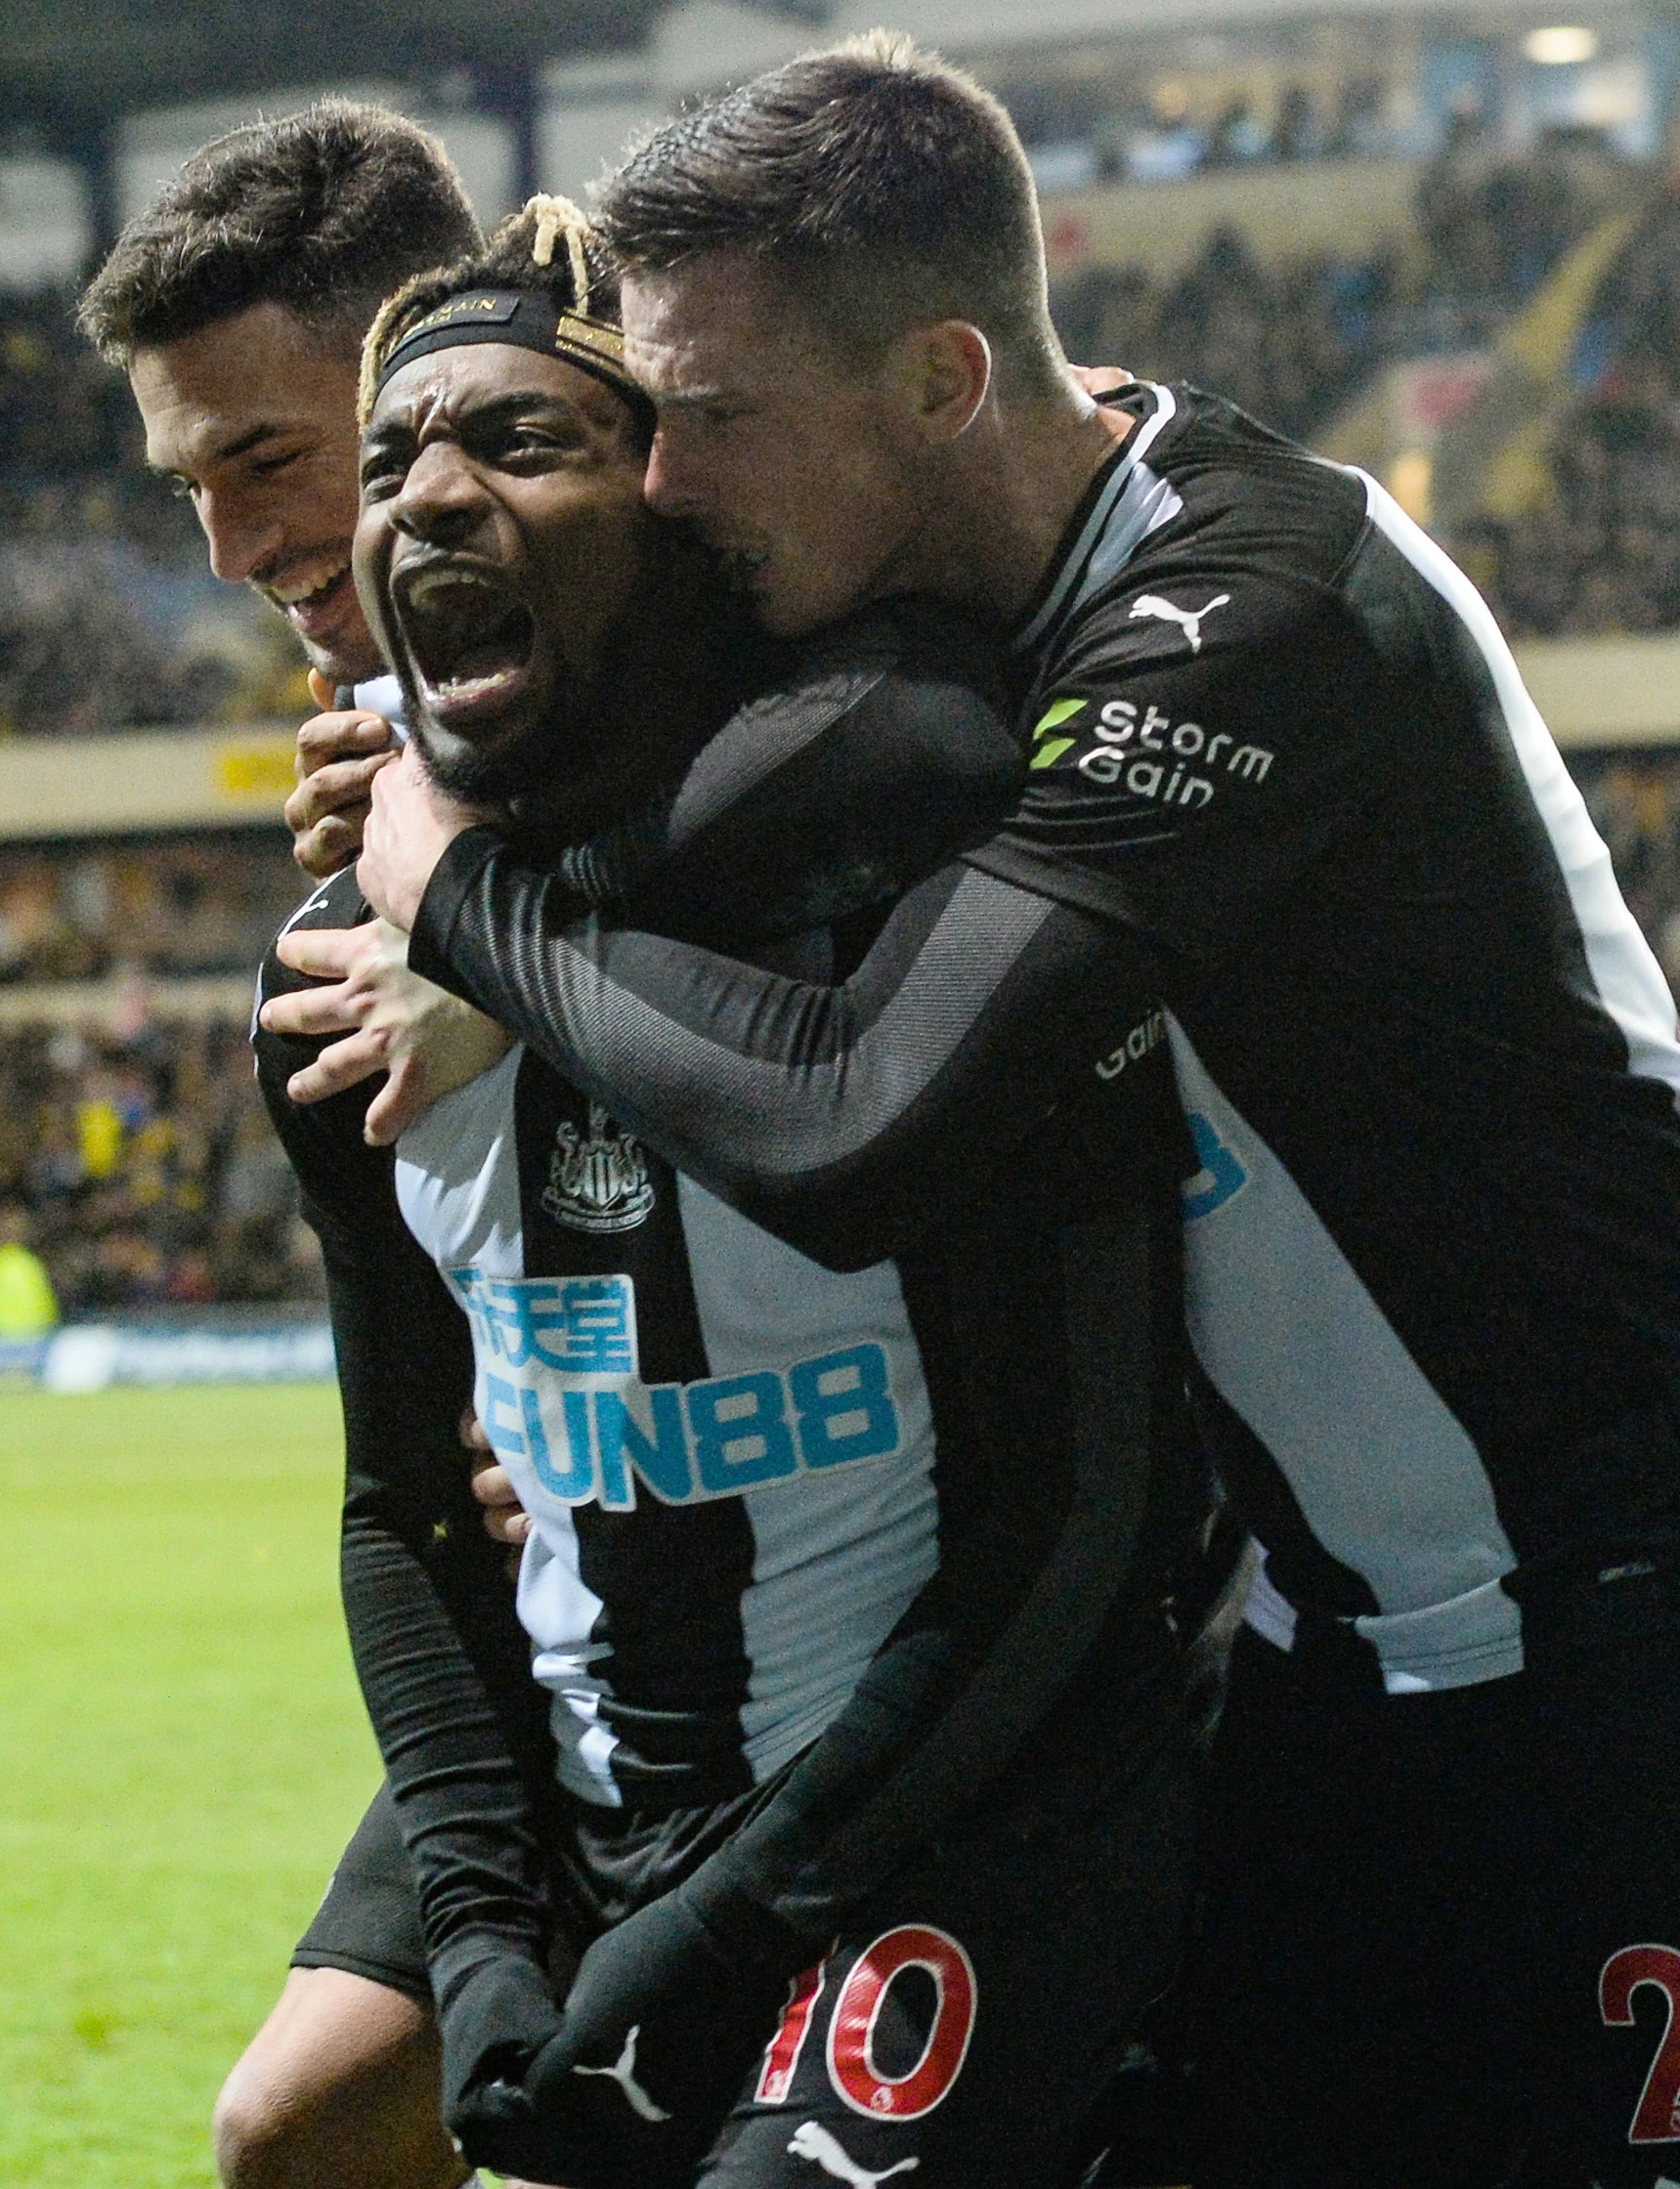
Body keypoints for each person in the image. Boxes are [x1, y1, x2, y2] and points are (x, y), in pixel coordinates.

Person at [301, 36, 1680, 2189]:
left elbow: (868, 1120)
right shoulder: (924, 614)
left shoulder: (1251, 610)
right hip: (1322, 1620)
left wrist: (459, 896)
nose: (667, 482)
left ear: (941, 381)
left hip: (1659, 1553)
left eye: (713, 417)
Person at [264, 200, 1224, 2189]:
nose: (426, 497)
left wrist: (707, 1942)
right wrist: (480, 1929)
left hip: (962, 1809)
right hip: (619, 1773)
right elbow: (400, 1507)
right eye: (388, 463)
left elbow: (1077, 1515)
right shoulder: (328, 1000)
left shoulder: (895, 889)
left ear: (679, 513)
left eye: (518, 442)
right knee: (294, 2132)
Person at [75, 100, 494, 2189]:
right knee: (300, 2133)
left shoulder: (792, 716)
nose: (233, 553)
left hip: (901, 1617)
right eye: (187, 490)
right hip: (570, 1641)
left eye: (267, 455)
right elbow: (396, 1479)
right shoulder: (334, 930)